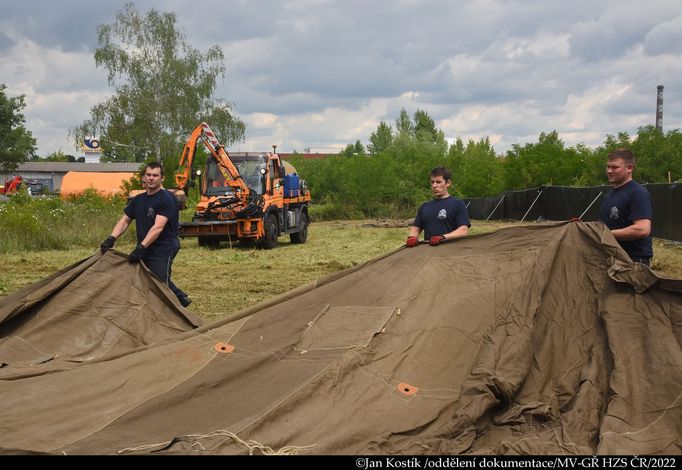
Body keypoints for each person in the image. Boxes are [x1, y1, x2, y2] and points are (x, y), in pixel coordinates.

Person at [100, 161, 191, 307]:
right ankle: (181, 298)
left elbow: (158, 227)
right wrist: (111, 238)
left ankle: (179, 310)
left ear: (162, 178)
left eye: (155, 175)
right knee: (147, 278)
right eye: (148, 175)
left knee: (160, 283)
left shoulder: (167, 199)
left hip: (163, 247)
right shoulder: (139, 199)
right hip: (146, 246)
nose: (151, 178)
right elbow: (125, 220)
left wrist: (141, 247)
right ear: (144, 177)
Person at [598, 148, 653, 265]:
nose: (609, 171)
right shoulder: (612, 193)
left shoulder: (637, 192)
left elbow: (642, 229)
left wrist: (606, 235)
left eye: (614, 167)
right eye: (608, 167)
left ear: (629, 168)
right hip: (612, 259)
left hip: (632, 262)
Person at [406, 166, 470, 247]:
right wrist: (412, 237)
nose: (434, 185)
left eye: (438, 182)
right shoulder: (425, 206)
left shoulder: (458, 204)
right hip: (428, 253)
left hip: (450, 252)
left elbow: (463, 231)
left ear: (448, 183)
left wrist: (443, 237)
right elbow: (416, 228)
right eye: (432, 182)